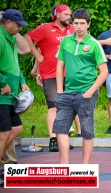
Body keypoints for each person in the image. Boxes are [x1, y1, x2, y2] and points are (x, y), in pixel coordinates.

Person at [53, 8, 108, 164]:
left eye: (82, 23)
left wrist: (90, 92)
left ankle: (84, 167)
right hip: (67, 92)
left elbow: (104, 72)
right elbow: (59, 67)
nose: (79, 26)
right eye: (76, 23)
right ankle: (64, 165)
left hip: (86, 93)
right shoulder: (65, 41)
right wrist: (59, 90)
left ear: (88, 24)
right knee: (60, 129)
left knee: (87, 131)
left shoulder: (94, 45)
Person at [0, 8, 30, 186]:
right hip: (1, 95)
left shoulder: (10, 38)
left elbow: (14, 63)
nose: (20, 28)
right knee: (4, 132)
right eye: (18, 25)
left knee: (16, 129)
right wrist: (2, 83)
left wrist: (22, 81)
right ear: (8, 22)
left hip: (11, 95)